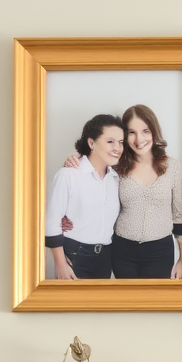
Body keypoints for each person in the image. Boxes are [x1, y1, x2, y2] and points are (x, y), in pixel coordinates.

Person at [60, 105, 182, 279]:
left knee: (154, 304)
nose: (139, 139)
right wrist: (75, 159)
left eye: (145, 131)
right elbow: (89, 184)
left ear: (154, 131)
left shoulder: (173, 167)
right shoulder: (116, 166)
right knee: (126, 303)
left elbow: (180, 217)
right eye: (131, 132)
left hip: (160, 250)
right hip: (122, 250)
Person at [45, 115, 123, 280]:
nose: (118, 148)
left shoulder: (115, 179)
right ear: (91, 143)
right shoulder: (69, 175)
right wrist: (60, 264)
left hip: (105, 257)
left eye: (121, 142)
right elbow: (51, 222)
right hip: (75, 255)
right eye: (110, 141)